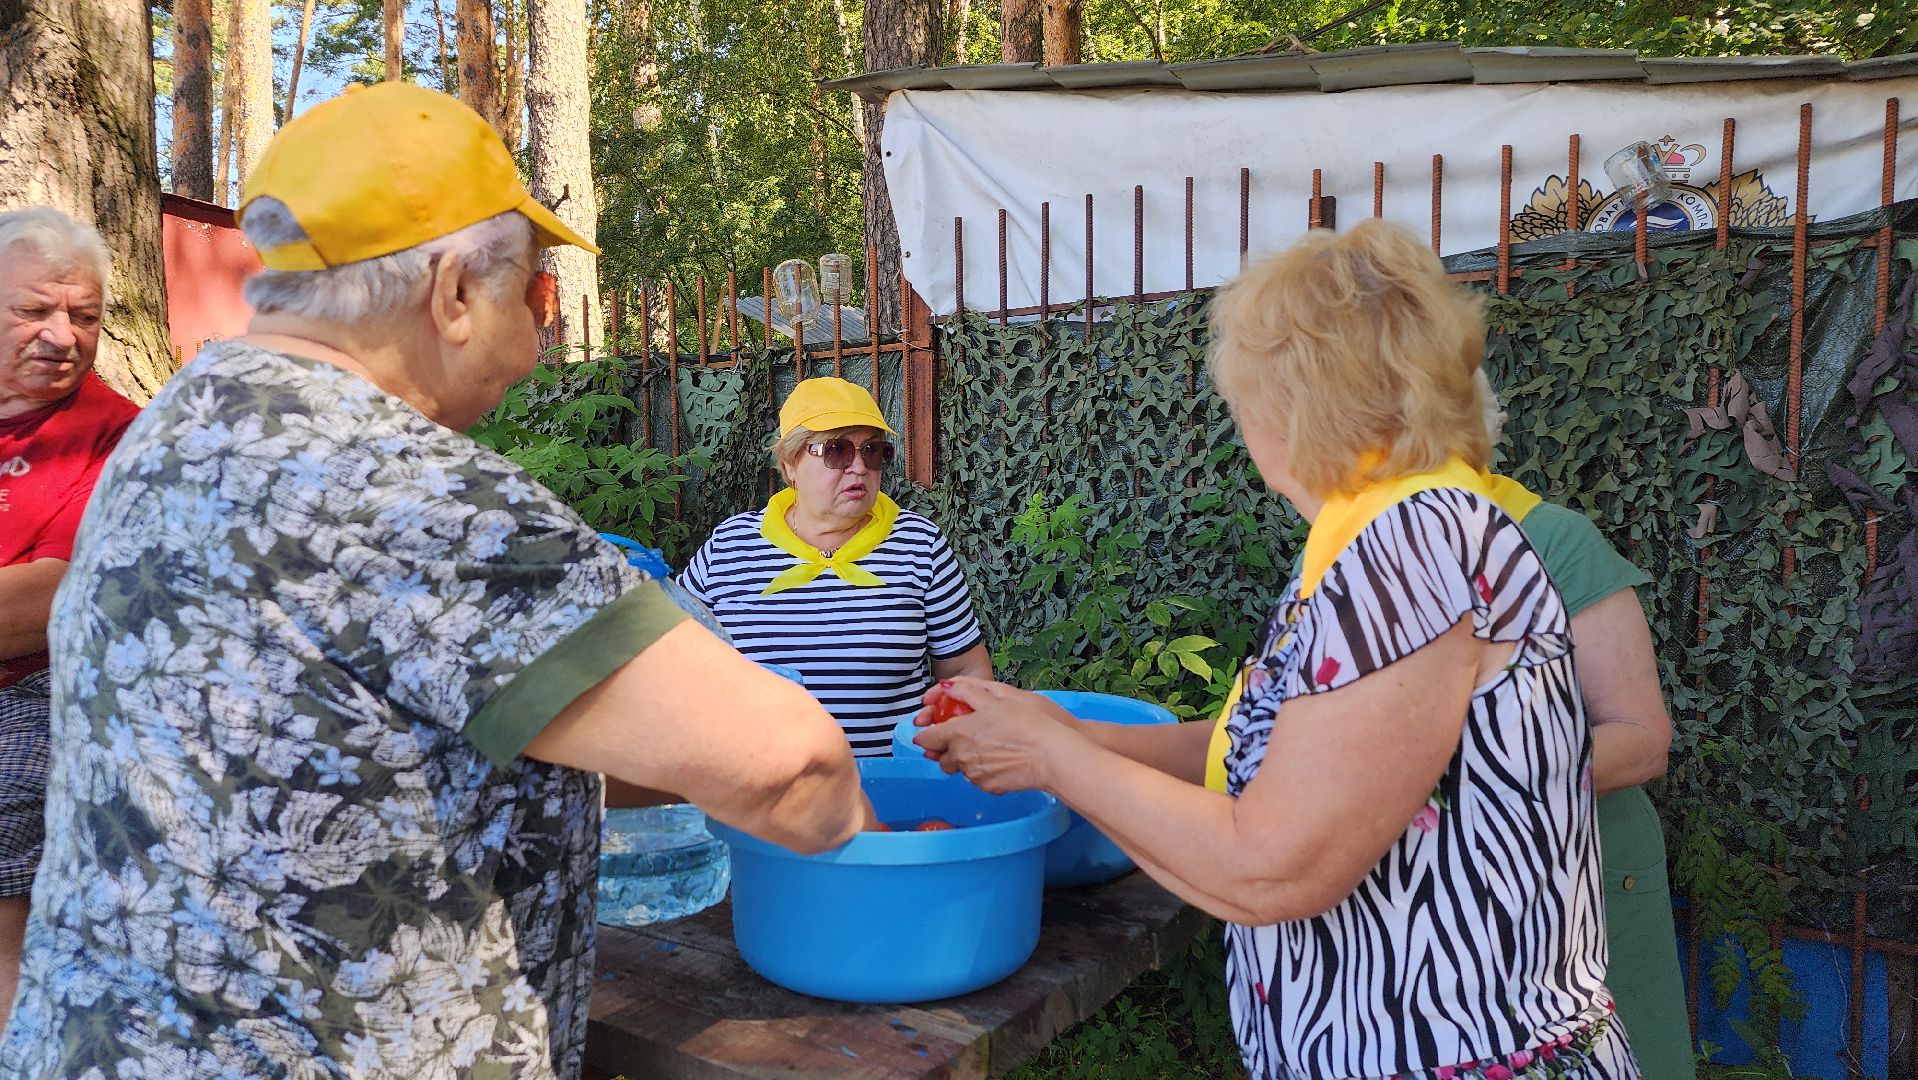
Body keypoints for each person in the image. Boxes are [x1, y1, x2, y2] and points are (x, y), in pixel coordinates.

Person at [0, 83, 871, 1080]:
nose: (541, 337)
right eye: (534, 296)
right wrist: (876, 832)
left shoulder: (175, 428)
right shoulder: (410, 490)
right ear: (454, 292)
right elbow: (791, 771)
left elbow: (358, 726)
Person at [918, 220, 1639, 1079]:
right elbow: (1271, 752)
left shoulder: (1412, 547)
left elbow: (1272, 868)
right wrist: (1059, 729)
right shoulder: (1377, 540)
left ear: (1293, 404)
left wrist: (1051, 761)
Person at [678, 376, 991, 756]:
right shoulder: (731, 546)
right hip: (761, 791)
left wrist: (953, 747)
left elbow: (964, 671)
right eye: (837, 450)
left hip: (892, 790)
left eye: (873, 451)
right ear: (790, 464)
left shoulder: (919, 545)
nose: (859, 467)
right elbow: (673, 658)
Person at [0, 208, 141, 1021]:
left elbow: (43, 602)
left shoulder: (117, 436)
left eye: (83, 317)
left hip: (37, 695)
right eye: (34, 310)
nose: (62, 335)